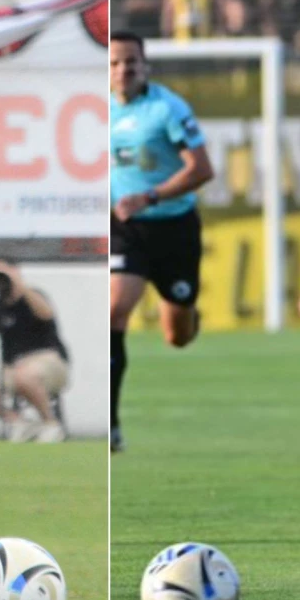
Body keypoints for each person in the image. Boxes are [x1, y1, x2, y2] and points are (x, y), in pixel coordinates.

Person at [109, 30, 215, 453]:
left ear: (145, 65)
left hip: (174, 229)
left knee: (177, 336)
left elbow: (202, 169)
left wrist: (151, 195)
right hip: (127, 228)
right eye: (115, 63)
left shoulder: (168, 109)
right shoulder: (101, 111)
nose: (123, 70)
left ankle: (190, 315)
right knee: (115, 311)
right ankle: (113, 425)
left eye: (131, 61)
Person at [0, 260, 71, 443]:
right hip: (14, 368)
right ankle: (19, 421)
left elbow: (46, 314)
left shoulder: (34, 296)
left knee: (24, 375)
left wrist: (19, 284)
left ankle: (51, 424)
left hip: (48, 363)